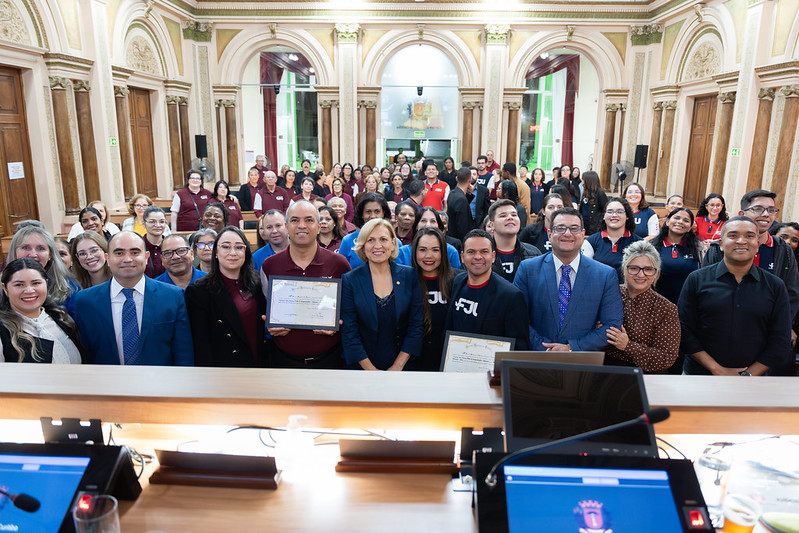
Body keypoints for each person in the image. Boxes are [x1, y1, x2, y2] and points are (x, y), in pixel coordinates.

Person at [679, 216, 791, 375]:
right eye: (733, 236)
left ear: (757, 245)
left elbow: (780, 340)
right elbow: (684, 331)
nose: (741, 241)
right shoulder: (696, 279)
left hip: (753, 381)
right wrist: (717, 369)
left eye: (749, 236)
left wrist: (748, 375)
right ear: (721, 244)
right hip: (700, 376)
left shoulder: (775, 285)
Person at [704, 189, 799, 373]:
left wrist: (784, 326)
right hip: (723, 340)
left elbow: (792, 293)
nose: (766, 214)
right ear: (742, 213)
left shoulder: (783, 250)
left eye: (771, 210)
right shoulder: (718, 249)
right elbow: (708, 292)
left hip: (767, 338)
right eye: (758, 209)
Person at [74, 231, 194, 365]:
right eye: (119, 253)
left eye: (135, 252)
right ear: (107, 258)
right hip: (106, 382)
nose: (127, 259)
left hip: (160, 383)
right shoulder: (86, 301)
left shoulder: (172, 296)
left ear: (146, 257)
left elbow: (183, 352)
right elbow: (85, 354)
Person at [514, 208, 623, 351]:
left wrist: (571, 348)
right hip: (536, 360)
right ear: (549, 233)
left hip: (582, 364)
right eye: (560, 228)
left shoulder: (605, 275)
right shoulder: (528, 269)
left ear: (583, 234)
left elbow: (611, 326)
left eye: (574, 228)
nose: (567, 233)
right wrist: (545, 350)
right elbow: (516, 318)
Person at [261, 201, 351, 368]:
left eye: (309, 220)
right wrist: (270, 326)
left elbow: (348, 311)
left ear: (318, 226)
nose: (301, 225)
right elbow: (265, 309)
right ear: (287, 227)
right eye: (295, 220)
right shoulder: (269, 265)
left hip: (330, 360)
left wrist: (338, 323)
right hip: (283, 361)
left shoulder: (339, 264)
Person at [340, 218, 423, 370]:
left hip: (403, 368)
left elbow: (415, 326)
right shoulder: (350, 280)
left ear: (393, 244)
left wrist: (397, 367)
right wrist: (372, 372)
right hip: (361, 369)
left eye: (383, 239)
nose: (377, 246)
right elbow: (350, 332)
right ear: (363, 245)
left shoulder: (410, 276)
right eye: (370, 240)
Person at [185, 227, 265, 367]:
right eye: (226, 247)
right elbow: (200, 344)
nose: (233, 253)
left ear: (246, 252)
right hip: (223, 370)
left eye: (239, 247)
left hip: (260, 363)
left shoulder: (257, 281)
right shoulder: (198, 291)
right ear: (216, 252)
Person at [604, 241, 680, 373]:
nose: (641, 275)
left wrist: (628, 346)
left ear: (656, 273)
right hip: (605, 369)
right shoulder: (608, 294)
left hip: (646, 376)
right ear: (624, 268)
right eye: (634, 268)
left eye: (648, 269)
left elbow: (667, 357)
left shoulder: (666, 308)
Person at [447, 229, 530, 349]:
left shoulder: (511, 296)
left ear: (493, 256)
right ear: (462, 257)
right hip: (455, 363)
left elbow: (519, 347)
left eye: (484, 252)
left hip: (490, 366)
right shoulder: (457, 281)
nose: (477, 257)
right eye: (471, 252)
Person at [0, 258, 84, 364]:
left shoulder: (61, 317)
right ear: (5, 289)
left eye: (36, 283)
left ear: (46, 283)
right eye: (19, 285)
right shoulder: (2, 331)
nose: (29, 290)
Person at [7, 224, 79, 315]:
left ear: (50, 255)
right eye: (25, 247)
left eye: (40, 248)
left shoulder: (70, 286)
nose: (33, 254)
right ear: (15, 252)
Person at [410, 227, 454, 371]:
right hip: (413, 360)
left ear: (443, 252)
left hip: (448, 359)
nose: (429, 256)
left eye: (435, 250)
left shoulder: (457, 281)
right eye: (422, 250)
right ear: (415, 252)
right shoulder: (406, 280)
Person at [651, 208, 702, 305]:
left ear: (690, 227)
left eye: (686, 220)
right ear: (667, 221)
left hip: (688, 304)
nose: (680, 222)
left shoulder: (700, 248)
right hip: (656, 304)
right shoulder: (651, 247)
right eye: (677, 218)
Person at [585, 198, 642, 282]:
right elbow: (585, 271)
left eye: (619, 211)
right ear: (604, 216)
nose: (614, 215)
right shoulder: (590, 242)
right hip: (598, 290)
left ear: (627, 216)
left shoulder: (639, 243)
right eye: (610, 211)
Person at [337, 193, 399, 268]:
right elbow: (340, 270)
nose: (373, 216)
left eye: (377, 211)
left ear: (383, 213)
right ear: (362, 214)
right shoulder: (348, 240)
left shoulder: (394, 241)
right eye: (368, 212)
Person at [488, 199, 541, 283]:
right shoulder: (483, 255)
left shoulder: (534, 253)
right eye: (503, 216)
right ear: (492, 225)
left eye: (514, 215)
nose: (510, 218)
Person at [395, 207, 462, 268]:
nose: (428, 225)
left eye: (433, 221)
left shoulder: (451, 252)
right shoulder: (402, 253)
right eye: (423, 221)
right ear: (416, 225)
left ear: (439, 225)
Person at [445, 167, 476, 242]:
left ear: (456, 178)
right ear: (470, 180)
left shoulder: (452, 193)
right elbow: (462, 227)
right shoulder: (461, 199)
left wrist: (469, 194)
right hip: (458, 240)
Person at [142, 206, 168, 278]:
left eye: (162, 222)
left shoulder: (171, 245)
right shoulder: (137, 246)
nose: (157, 225)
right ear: (143, 223)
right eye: (152, 221)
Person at [579, 171, 608, 235]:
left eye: (583, 180)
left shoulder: (600, 193)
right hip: (584, 225)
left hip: (594, 227)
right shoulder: (585, 192)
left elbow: (605, 210)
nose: (582, 182)